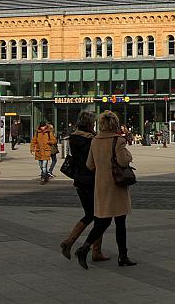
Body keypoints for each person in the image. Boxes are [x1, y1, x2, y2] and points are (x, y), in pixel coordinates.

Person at [75, 111, 136, 269]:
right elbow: (123, 161)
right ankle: (122, 256)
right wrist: (129, 156)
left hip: (101, 186)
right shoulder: (118, 140)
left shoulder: (95, 140)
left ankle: (85, 248)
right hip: (116, 186)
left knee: (103, 221)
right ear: (114, 124)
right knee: (120, 222)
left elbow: (90, 165)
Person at [60, 111, 109, 262]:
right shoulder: (92, 140)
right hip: (92, 180)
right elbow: (96, 161)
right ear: (89, 123)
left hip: (79, 181)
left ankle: (78, 244)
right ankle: (85, 247)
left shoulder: (73, 138)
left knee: (91, 214)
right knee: (100, 216)